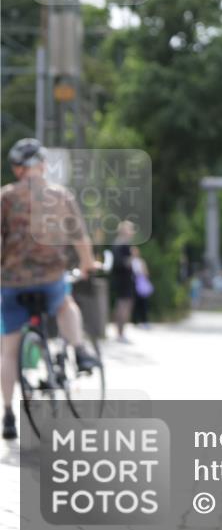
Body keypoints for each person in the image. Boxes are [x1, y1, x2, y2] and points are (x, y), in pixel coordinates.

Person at [1, 139, 102, 439]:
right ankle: (80, 350)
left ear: (17, 169)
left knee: (8, 351)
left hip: (12, 283)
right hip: (50, 279)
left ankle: (8, 414)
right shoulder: (59, 196)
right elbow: (80, 238)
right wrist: (87, 265)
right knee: (66, 305)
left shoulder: (5, 198)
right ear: (42, 165)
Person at [109, 220, 136, 343]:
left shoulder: (118, 243)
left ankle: (120, 332)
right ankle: (120, 333)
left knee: (122, 305)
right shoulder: (122, 245)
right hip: (124, 279)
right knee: (123, 306)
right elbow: (122, 263)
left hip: (122, 279)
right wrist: (133, 257)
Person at [131, 246, 153, 329]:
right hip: (133, 285)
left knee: (143, 304)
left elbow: (147, 273)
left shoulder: (141, 261)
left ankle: (144, 321)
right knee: (134, 304)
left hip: (141, 285)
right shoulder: (130, 261)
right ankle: (135, 321)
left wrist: (141, 273)